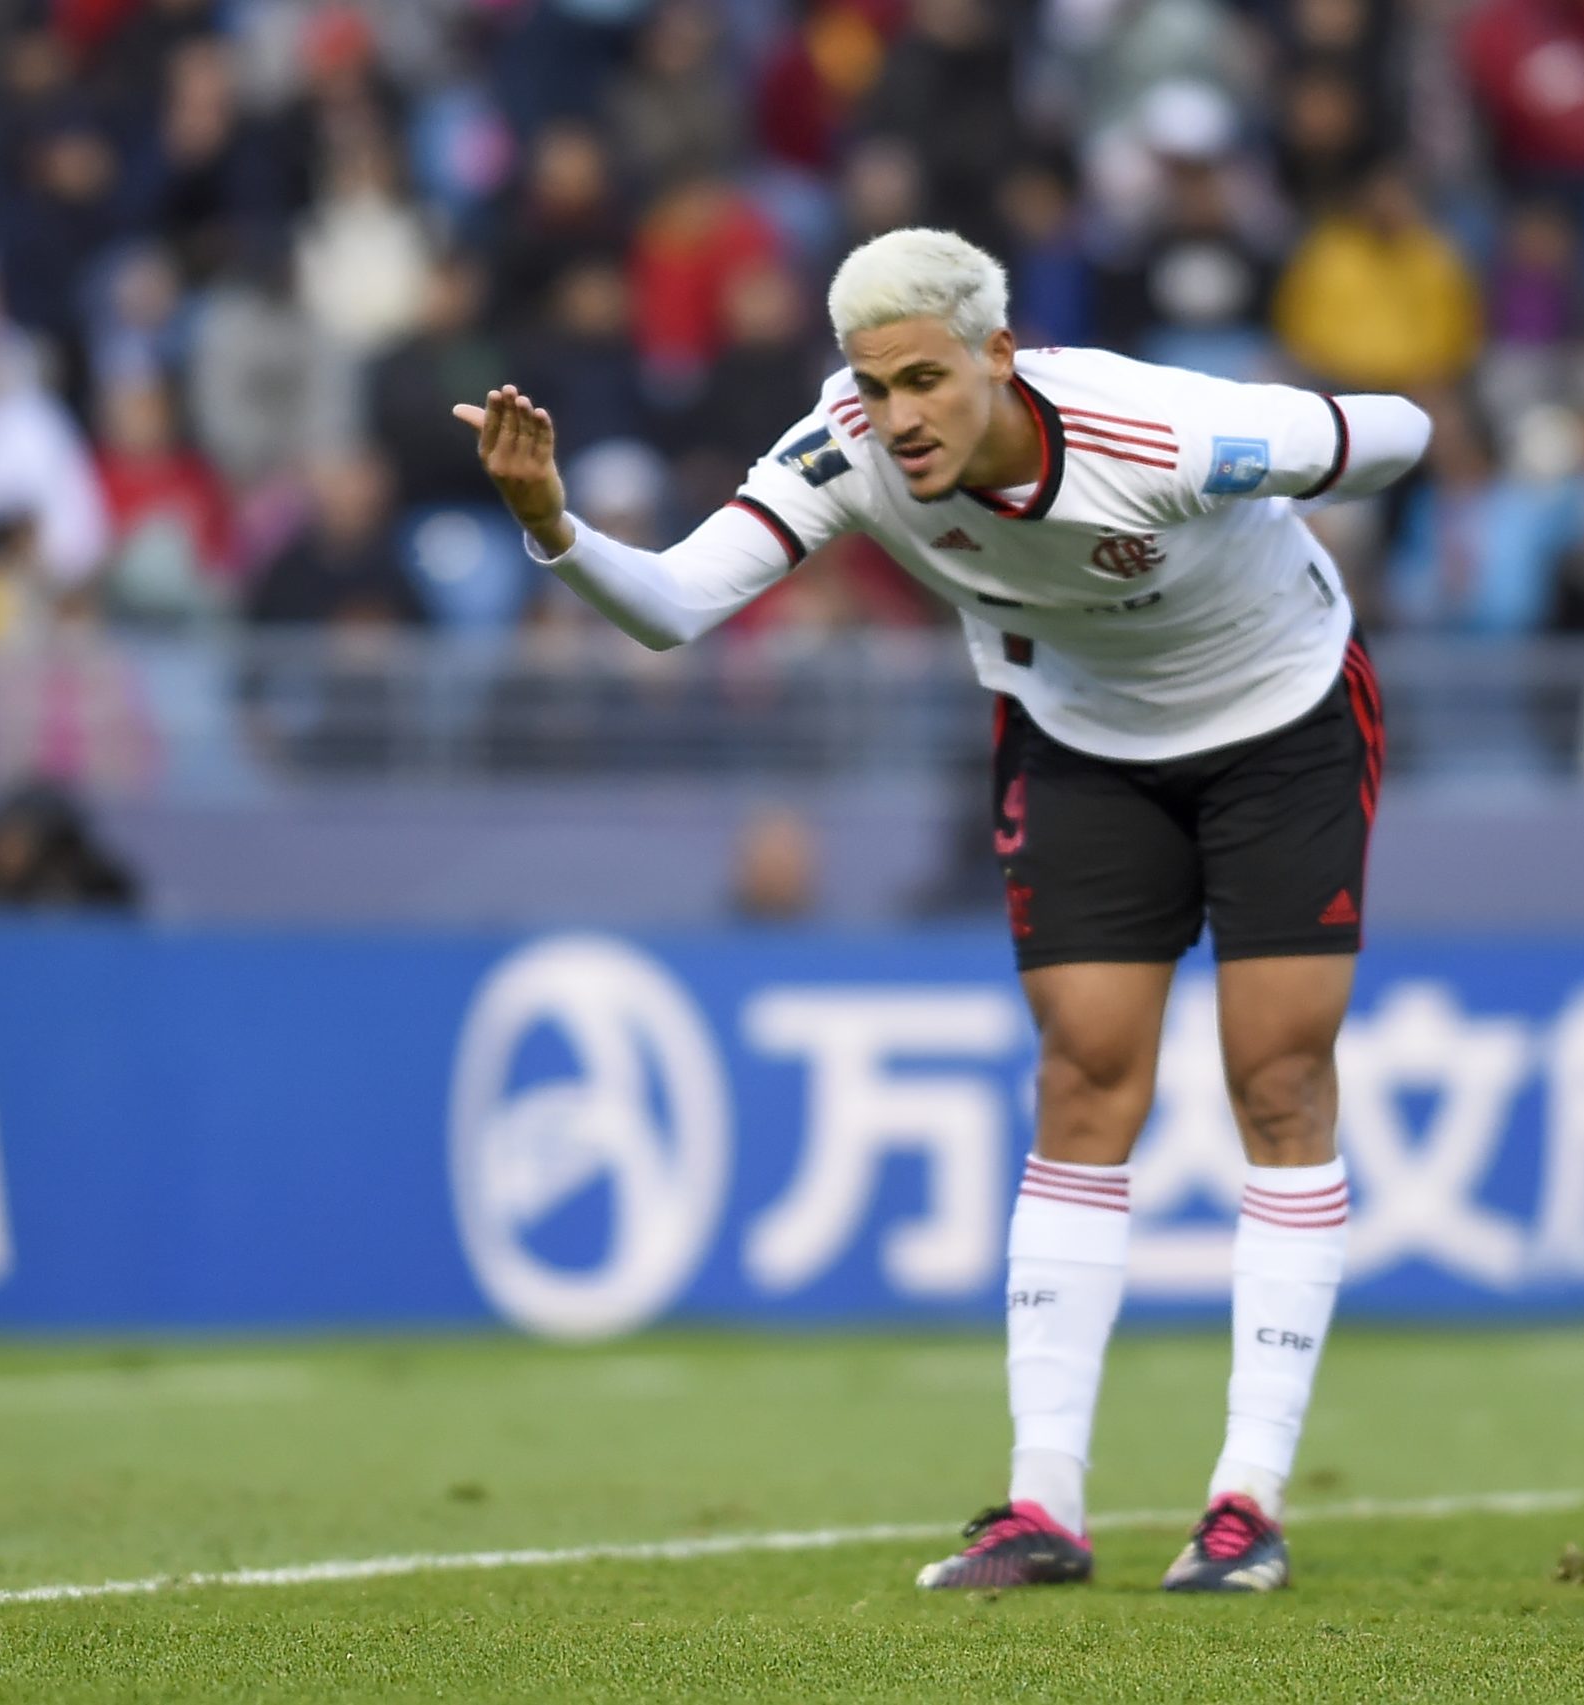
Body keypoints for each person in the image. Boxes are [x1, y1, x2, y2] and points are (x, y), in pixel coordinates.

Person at [453, 228, 1430, 1595]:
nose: (896, 415)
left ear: (998, 358)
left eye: (924, 379)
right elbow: (673, 605)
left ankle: (1245, 1501)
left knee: (1277, 1073)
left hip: (1281, 720)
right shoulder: (843, 445)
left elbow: (1400, 428)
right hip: (1079, 734)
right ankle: (1045, 1507)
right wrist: (551, 525)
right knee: (1084, 1072)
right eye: (872, 381)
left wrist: (1290, 456)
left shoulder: (1159, 426)